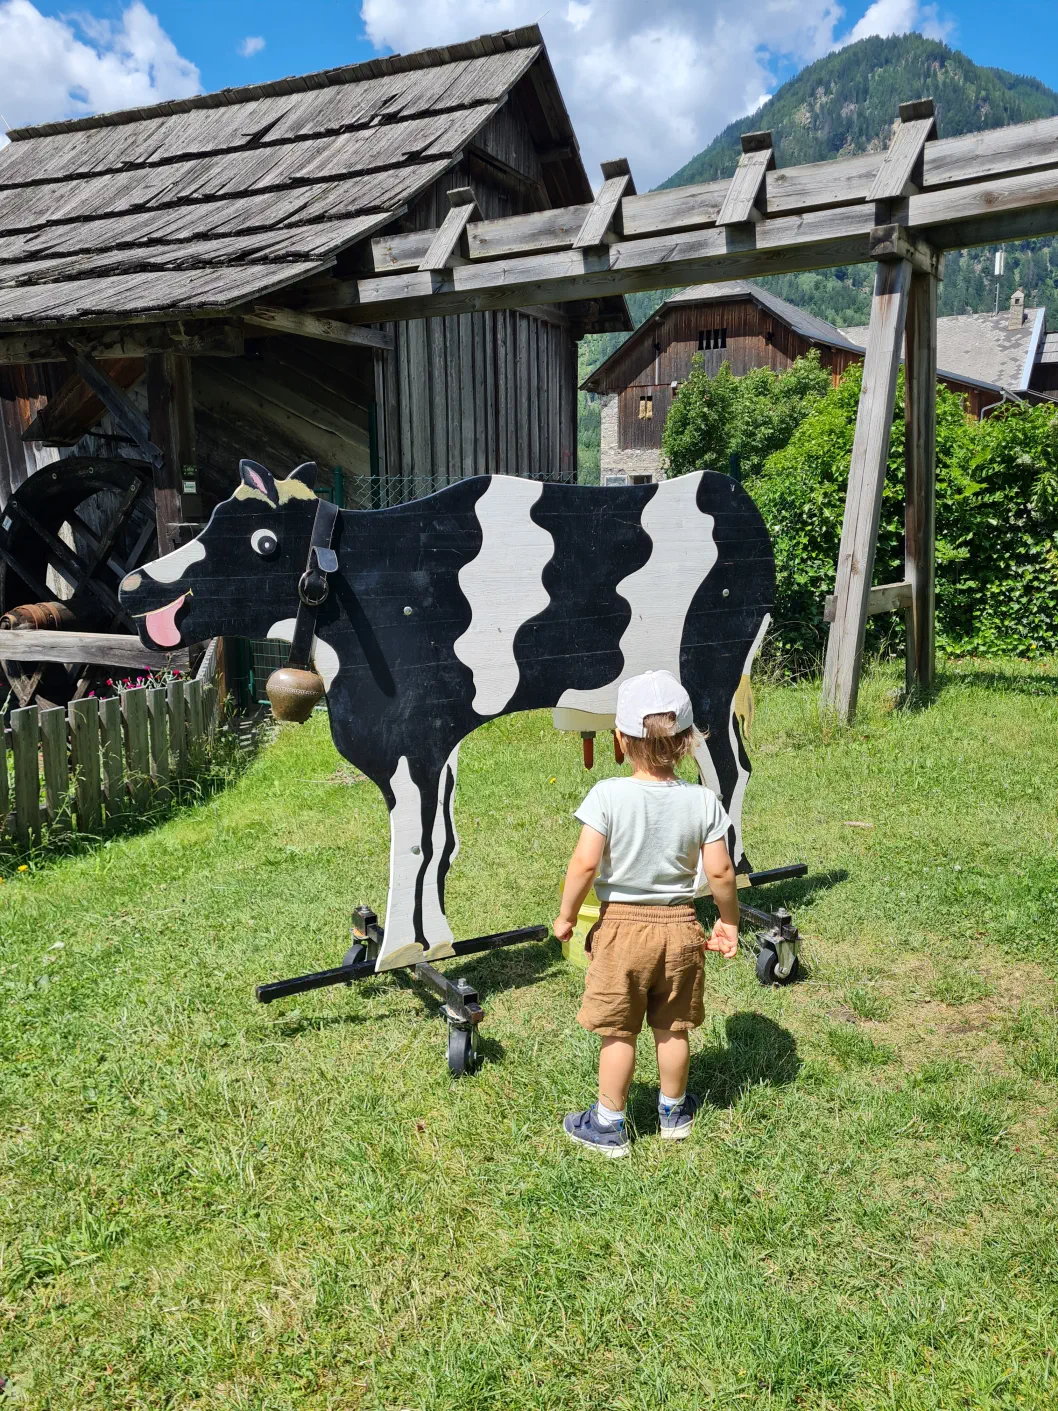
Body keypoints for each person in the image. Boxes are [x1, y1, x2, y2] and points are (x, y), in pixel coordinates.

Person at [552, 669, 740, 1157]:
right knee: (672, 1027)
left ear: (619, 739)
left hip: (621, 930)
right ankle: (673, 1113)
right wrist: (729, 921)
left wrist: (567, 916)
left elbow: (585, 863)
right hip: (680, 928)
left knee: (619, 1030)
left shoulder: (607, 795)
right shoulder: (703, 800)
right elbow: (721, 871)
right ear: (688, 742)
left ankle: (608, 1125)